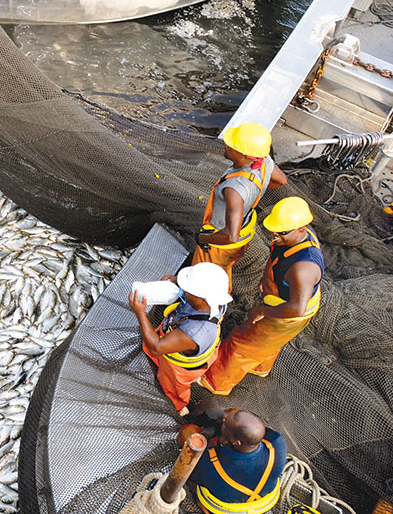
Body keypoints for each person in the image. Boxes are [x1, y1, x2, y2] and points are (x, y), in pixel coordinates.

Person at [203, 196, 323, 394]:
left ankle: (216, 383)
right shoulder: (297, 235)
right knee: (268, 342)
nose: (275, 235)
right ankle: (260, 367)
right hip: (282, 298)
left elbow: (296, 309)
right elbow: (279, 261)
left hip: (289, 314)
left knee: (241, 344)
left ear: (301, 229)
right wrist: (266, 281)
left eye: (282, 232)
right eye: (274, 230)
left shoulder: (304, 269)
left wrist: (262, 311)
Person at [129, 263, 233, 417]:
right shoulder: (216, 298)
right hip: (187, 342)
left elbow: (156, 346)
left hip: (179, 368)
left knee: (173, 387)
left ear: (203, 298)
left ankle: (179, 407)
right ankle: (159, 364)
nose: (183, 290)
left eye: (187, 289)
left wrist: (140, 313)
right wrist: (176, 280)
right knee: (157, 353)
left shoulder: (195, 332)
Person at [194, 123, 287, 289]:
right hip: (245, 234)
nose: (226, 145)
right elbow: (281, 180)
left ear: (243, 155)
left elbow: (231, 236)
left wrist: (203, 239)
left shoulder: (234, 189)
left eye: (231, 145)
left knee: (205, 281)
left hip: (221, 244)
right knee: (224, 268)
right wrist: (256, 191)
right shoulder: (264, 161)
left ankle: (210, 309)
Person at [184, 408, 287, 514]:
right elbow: (251, 430)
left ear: (235, 442)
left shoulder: (211, 465)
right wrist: (229, 421)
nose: (224, 417)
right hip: (260, 510)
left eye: (225, 424)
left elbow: (189, 472)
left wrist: (204, 435)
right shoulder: (278, 443)